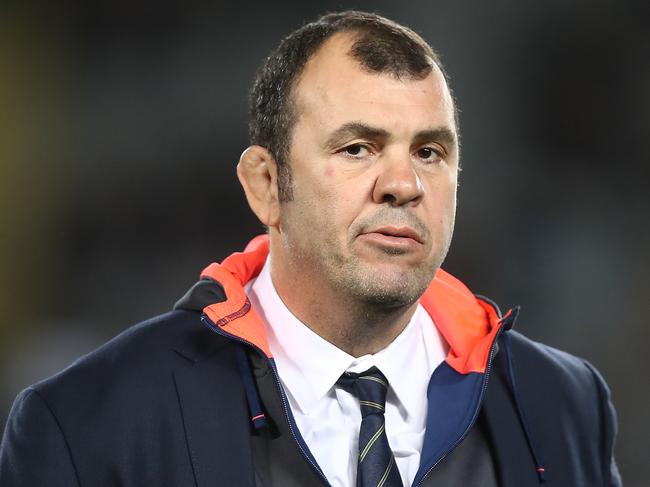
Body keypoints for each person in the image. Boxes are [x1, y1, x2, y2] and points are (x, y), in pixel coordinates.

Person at [0, 10, 621, 487]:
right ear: (266, 185)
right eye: (358, 148)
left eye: (430, 152)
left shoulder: (561, 402)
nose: (404, 185)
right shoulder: (90, 421)